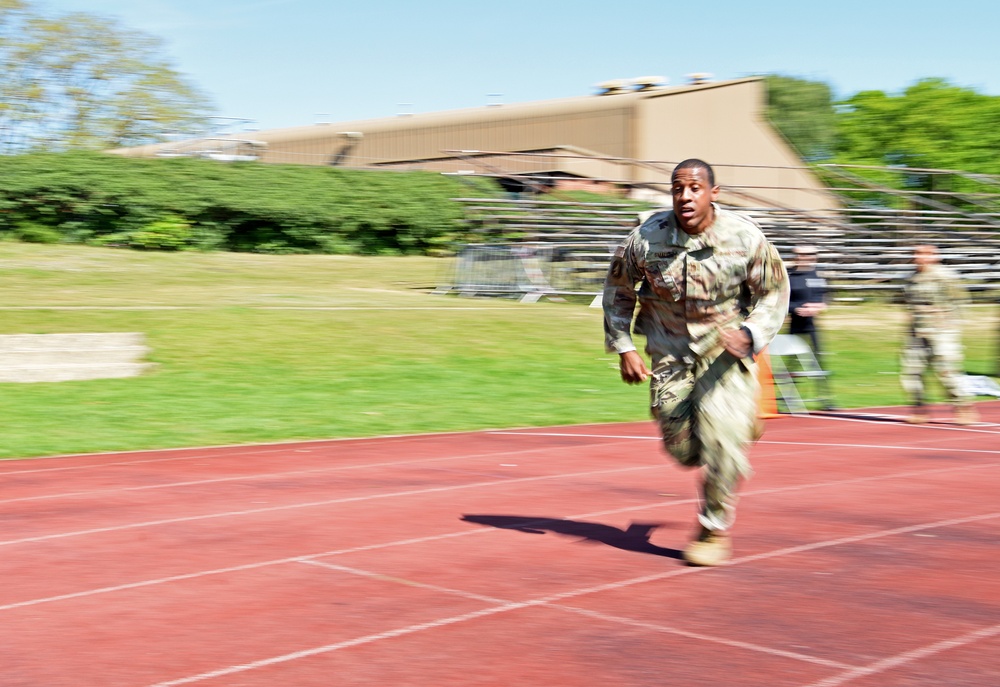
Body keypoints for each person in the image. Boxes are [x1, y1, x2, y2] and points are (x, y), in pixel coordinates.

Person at [603, 159, 789, 567]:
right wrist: (624, 347)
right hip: (668, 350)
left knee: (722, 441)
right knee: (684, 451)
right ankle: (735, 427)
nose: (685, 196)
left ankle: (712, 528)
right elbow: (618, 291)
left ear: (713, 193)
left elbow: (774, 292)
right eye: (678, 189)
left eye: (694, 188)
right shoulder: (645, 238)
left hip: (724, 350)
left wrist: (751, 333)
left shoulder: (745, 236)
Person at [901, 244, 978, 425]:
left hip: (942, 330)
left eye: (925, 254)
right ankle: (919, 408)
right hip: (917, 330)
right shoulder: (911, 278)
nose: (919, 257)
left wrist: (952, 325)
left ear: (935, 257)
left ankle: (963, 406)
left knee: (946, 370)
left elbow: (960, 301)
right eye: (917, 253)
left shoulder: (945, 276)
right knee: (912, 371)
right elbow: (908, 301)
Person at [787, 244, 834, 408]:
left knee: (818, 361)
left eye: (810, 255)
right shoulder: (789, 275)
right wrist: (796, 309)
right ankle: (789, 397)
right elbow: (781, 301)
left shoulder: (818, 275)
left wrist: (819, 307)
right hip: (795, 324)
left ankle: (825, 399)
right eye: (802, 255)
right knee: (792, 362)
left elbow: (825, 297)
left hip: (811, 325)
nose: (806, 258)